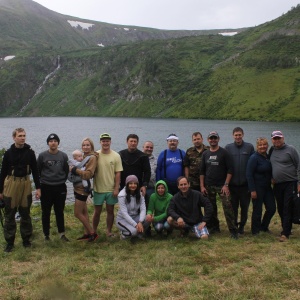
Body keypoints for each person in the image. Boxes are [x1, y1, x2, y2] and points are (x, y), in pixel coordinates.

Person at [0, 128, 41, 252]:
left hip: (25, 183)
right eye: (20, 136)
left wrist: (38, 188)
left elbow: (35, 171)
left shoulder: (30, 152)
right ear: (14, 137)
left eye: (24, 135)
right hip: (11, 183)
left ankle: (26, 240)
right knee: (9, 214)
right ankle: (10, 242)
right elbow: (2, 172)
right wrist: (0, 190)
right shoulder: (8, 153)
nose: (23, 138)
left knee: (25, 213)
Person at [200, 131, 238, 238]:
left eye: (215, 138)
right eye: (211, 138)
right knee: (211, 208)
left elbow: (230, 170)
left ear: (218, 139)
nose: (213, 140)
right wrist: (202, 186)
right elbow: (202, 171)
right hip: (208, 185)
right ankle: (214, 227)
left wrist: (226, 185)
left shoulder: (224, 153)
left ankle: (233, 230)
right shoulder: (205, 154)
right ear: (208, 140)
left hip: (222, 185)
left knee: (228, 207)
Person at [37, 133, 69, 242]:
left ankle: (62, 233)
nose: (53, 143)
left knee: (59, 211)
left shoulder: (63, 156)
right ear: (48, 143)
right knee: (46, 212)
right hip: (46, 187)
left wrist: (60, 181)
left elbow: (66, 170)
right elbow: (38, 171)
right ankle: (46, 235)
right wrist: (39, 187)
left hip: (60, 187)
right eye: (51, 141)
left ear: (58, 143)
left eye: (55, 141)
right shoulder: (42, 156)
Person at [269, 130, 300, 242]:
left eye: (279, 138)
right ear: (272, 140)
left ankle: (285, 234)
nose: (277, 140)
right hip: (277, 184)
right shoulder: (272, 150)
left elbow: (298, 165)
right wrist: (271, 177)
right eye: (275, 138)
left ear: (283, 138)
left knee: (287, 207)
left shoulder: (290, 149)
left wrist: (299, 182)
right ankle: (287, 228)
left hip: (290, 183)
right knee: (281, 207)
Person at [92, 133, 123, 237]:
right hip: (98, 188)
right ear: (100, 142)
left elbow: (118, 173)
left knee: (110, 210)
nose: (105, 143)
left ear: (110, 142)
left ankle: (108, 231)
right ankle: (94, 231)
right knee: (97, 211)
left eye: (107, 141)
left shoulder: (116, 155)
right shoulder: (95, 155)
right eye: (103, 141)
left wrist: (116, 188)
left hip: (111, 189)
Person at [225, 127, 254, 234]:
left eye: (239, 135)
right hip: (232, 185)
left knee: (244, 208)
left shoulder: (249, 147)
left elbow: (253, 165)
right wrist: (226, 184)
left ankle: (242, 226)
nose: (238, 137)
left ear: (243, 135)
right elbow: (225, 165)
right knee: (233, 208)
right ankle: (234, 226)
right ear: (233, 136)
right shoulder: (228, 148)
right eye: (236, 135)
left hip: (245, 185)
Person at [70, 137, 99, 242]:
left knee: (77, 213)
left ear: (91, 146)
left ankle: (92, 233)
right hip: (77, 187)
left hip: (82, 189)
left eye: (87, 145)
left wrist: (74, 170)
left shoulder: (92, 158)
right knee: (84, 211)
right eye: (83, 145)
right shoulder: (83, 157)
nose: (85, 147)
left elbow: (88, 174)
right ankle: (86, 233)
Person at [246, 137, 276, 235]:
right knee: (257, 210)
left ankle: (264, 226)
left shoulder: (267, 156)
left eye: (264, 145)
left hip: (267, 187)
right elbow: (249, 174)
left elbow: (269, 170)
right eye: (260, 145)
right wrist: (252, 190)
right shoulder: (254, 157)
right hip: (257, 188)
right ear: (257, 146)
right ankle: (255, 231)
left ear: (267, 146)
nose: (262, 147)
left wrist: (272, 177)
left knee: (271, 208)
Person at [116, 175, 147, 240]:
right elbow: (124, 213)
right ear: (127, 184)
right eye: (130, 183)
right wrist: (136, 225)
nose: (133, 185)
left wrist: (140, 222)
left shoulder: (140, 194)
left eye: (135, 183)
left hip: (135, 217)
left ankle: (139, 233)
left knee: (148, 218)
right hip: (123, 220)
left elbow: (143, 209)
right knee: (134, 232)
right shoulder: (121, 195)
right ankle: (123, 234)